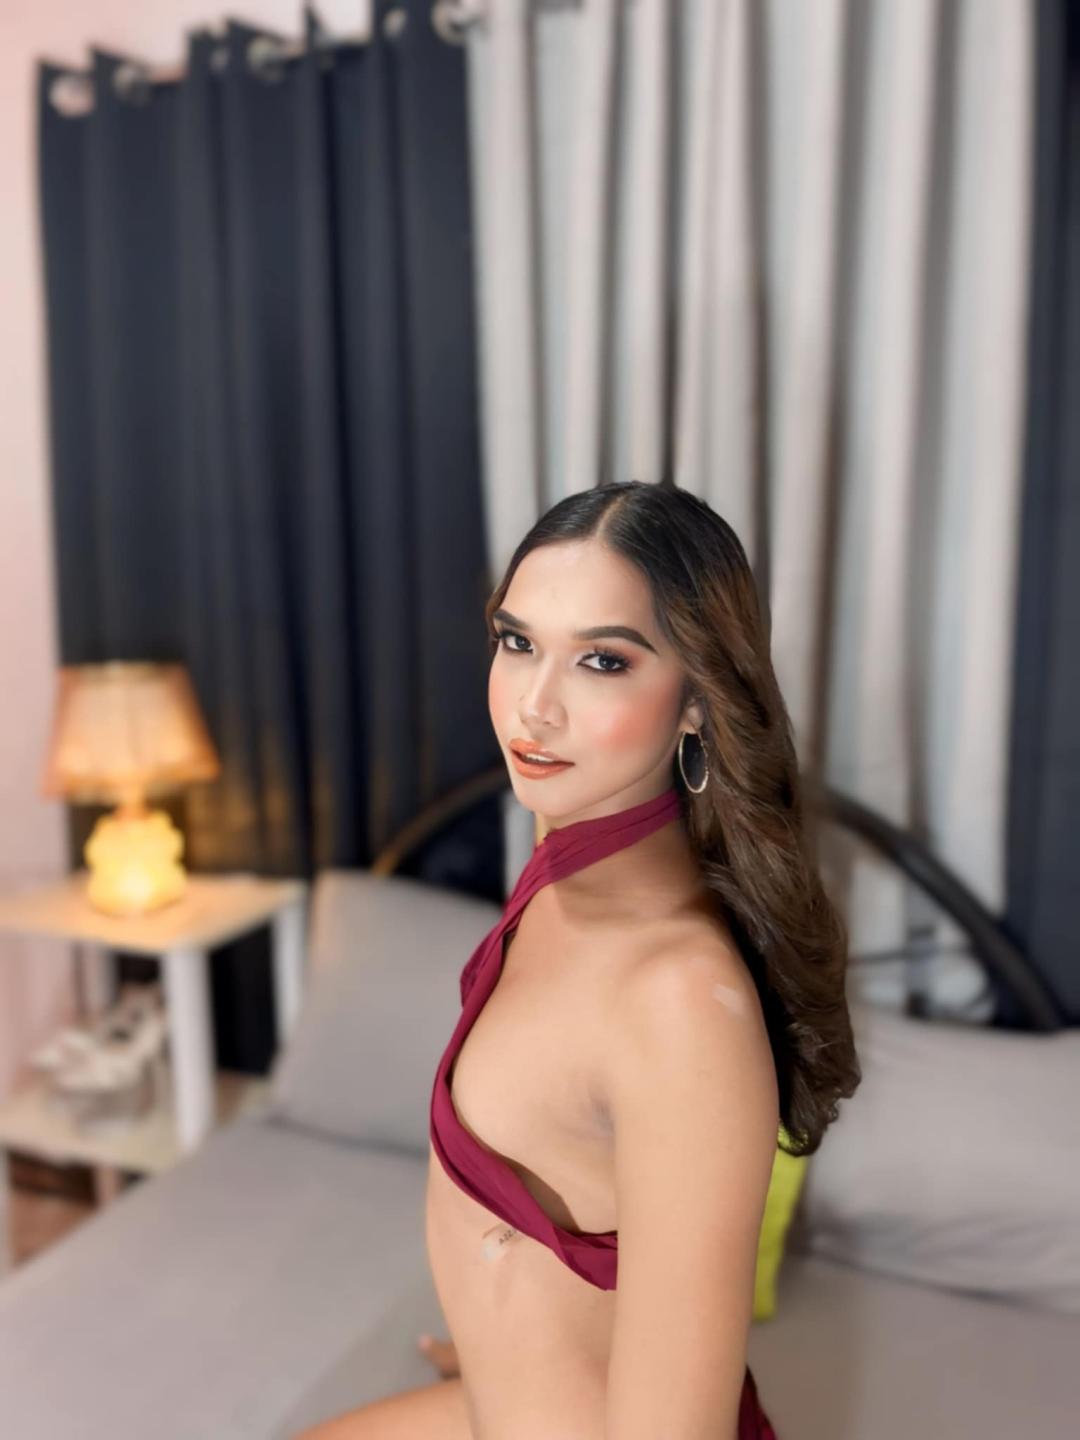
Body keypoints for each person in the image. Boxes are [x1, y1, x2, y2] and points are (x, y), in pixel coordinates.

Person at [294, 481, 861, 1439]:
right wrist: (507, 1334)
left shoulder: (681, 1002)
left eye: (602, 660)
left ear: (698, 701)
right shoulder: (569, 861)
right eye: (517, 643)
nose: (535, 705)